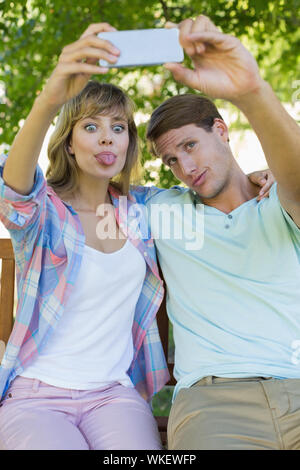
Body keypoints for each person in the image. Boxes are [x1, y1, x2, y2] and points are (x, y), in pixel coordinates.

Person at [0, 21, 272, 450]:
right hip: (38, 397)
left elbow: (213, 187)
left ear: (128, 142)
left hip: (113, 394)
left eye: (118, 127)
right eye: (90, 127)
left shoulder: (142, 210)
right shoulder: (44, 213)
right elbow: (14, 194)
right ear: (68, 143)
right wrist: (51, 98)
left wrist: (261, 177)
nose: (107, 135)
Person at [145, 15, 300, 450]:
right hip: (214, 402)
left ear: (221, 130)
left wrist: (250, 91)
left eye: (189, 145)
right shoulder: (165, 210)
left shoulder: (279, 199)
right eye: (171, 160)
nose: (185, 168)